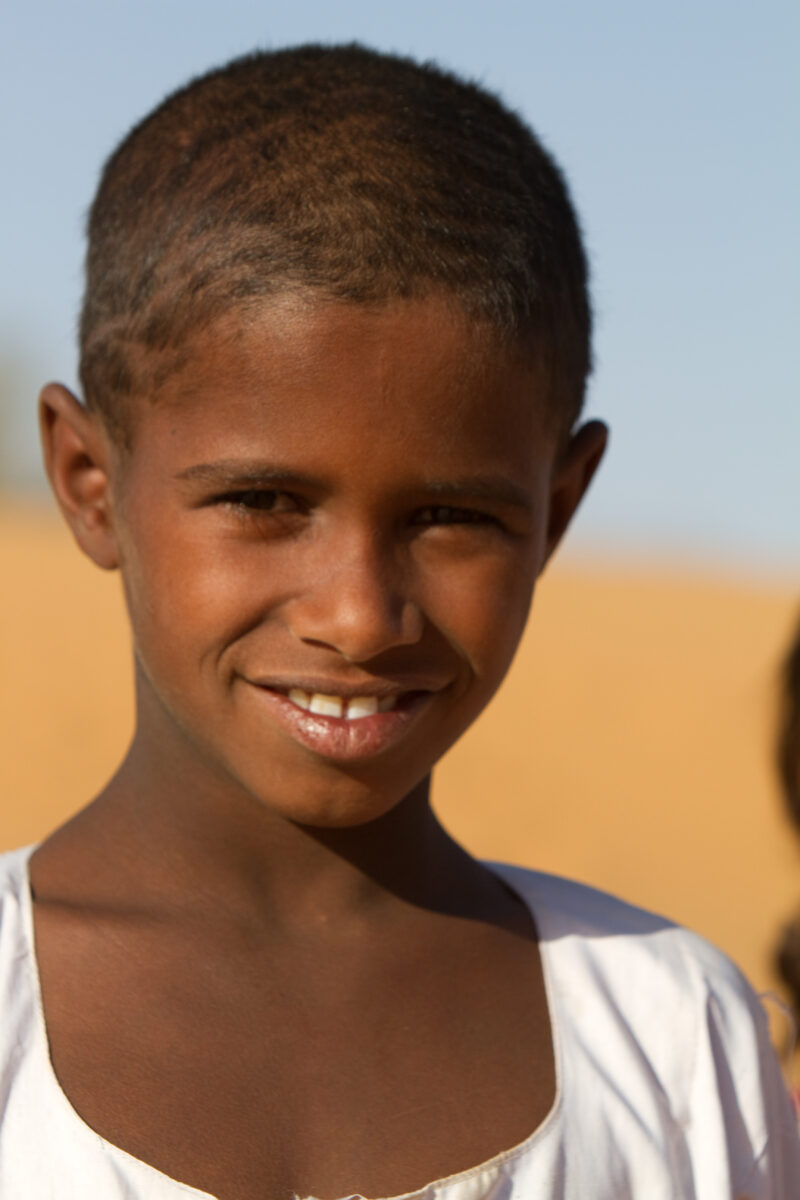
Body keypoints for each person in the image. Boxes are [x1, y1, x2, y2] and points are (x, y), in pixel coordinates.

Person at [0, 43, 797, 1200]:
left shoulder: (672, 1040)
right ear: (88, 482)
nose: (360, 617)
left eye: (451, 516)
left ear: (558, 508)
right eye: (262, 501)